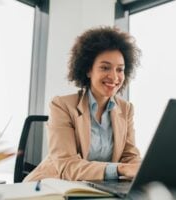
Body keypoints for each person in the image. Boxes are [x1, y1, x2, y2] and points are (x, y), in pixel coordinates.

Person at [24, 26, 141, 182]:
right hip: (52, 186)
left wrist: (144, 169)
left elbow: (130, 157)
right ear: (88, 70)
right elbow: (67, 165)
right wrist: (120, 169)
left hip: (98, 188)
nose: (114, 77)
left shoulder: (126, 109)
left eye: (120, 69)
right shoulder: (62, 105)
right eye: (105, 67)